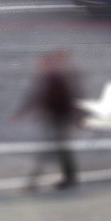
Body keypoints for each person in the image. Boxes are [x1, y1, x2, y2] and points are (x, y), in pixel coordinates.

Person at [14, 50, 83, 190]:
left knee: (49, 150)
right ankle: (69, 178)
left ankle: (33, 182)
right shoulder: (52, 78)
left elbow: (56, 99)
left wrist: (24, 112)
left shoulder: (55, 79)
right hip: (57, 119)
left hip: (59, 119)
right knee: (60, 150)